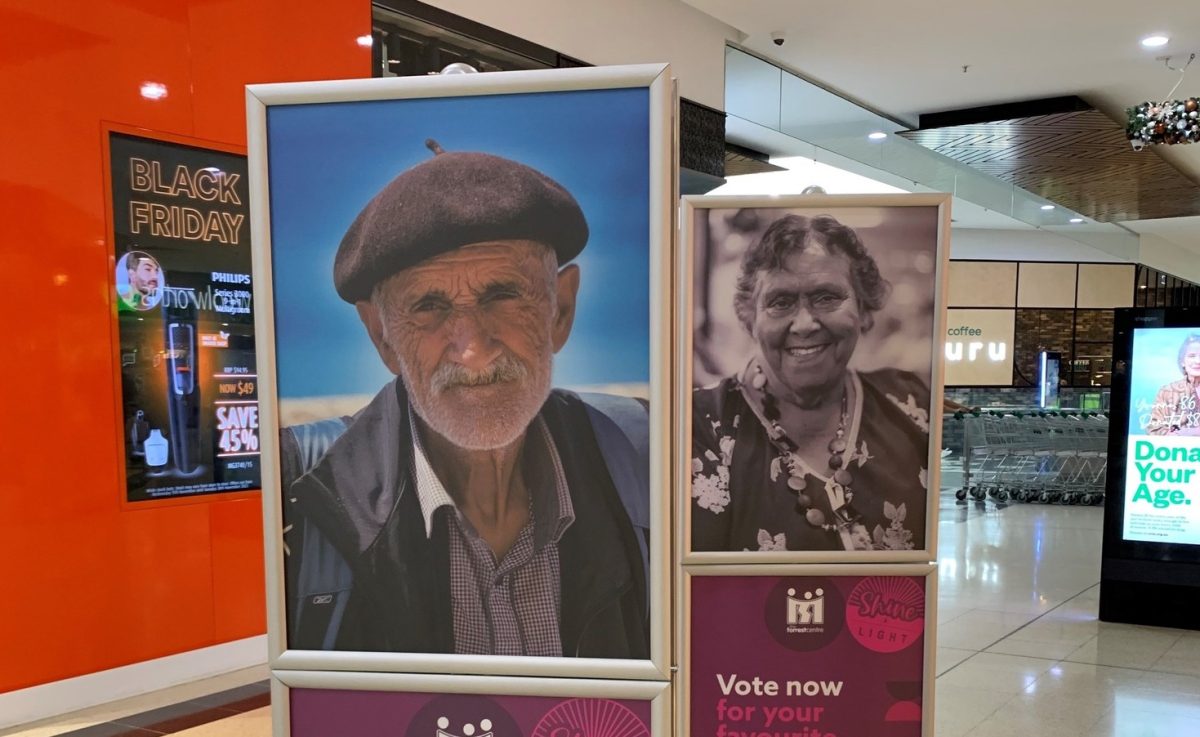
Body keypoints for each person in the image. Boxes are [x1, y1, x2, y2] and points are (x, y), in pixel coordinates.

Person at [280, 140, 650, 659]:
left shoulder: (647, 462)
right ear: (382, 337)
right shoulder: (295, 497)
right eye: (428, 307)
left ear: (560, 310)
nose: (472, 349)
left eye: (502, 295)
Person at [691, 213, 930, 553]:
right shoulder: (699, 428)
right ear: (750, 319)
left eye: (826, 297)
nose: (804, 323)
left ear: (863, 309)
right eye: (780, 302)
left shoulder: (912, 405)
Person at [1145, 333, 1200, 435]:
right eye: (1192, 356)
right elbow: (1154, 429)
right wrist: (1184, 434)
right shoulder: (1167, 391)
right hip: (1178, 450)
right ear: (1182, 361)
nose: (1198, 361)